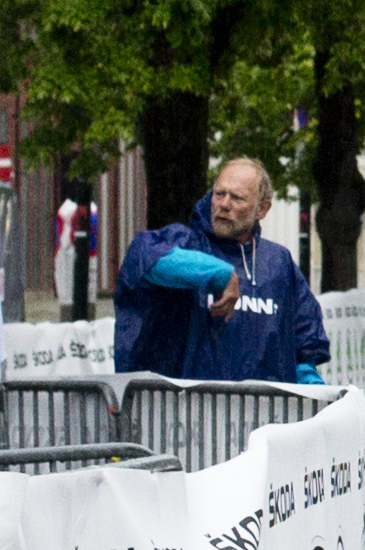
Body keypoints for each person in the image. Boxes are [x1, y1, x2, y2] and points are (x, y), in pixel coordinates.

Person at [116, 155, 327, 382]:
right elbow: (145, 259)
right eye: (219, 194)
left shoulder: (278, 263)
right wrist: (218, 273)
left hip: (264, 412)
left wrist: (310, 384)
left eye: (237, 198)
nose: (224, 205)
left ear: (262, 209)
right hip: (186, 410)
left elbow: (302, 343)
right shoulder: (187, 243)